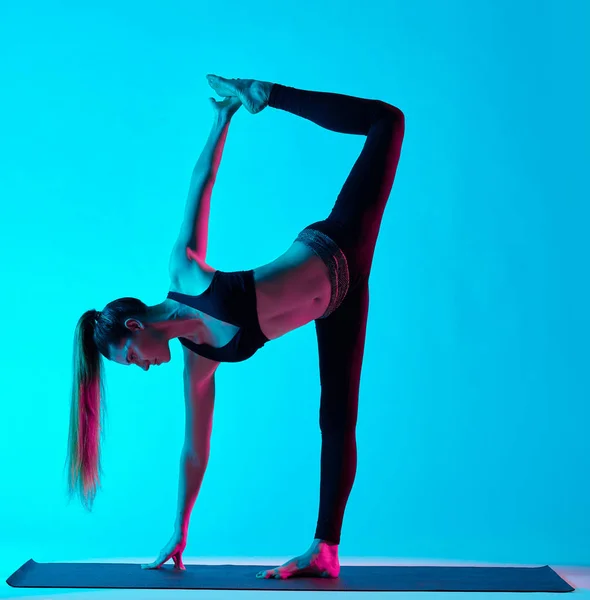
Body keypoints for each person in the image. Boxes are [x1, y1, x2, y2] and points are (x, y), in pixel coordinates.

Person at [66, 74, 405, 579]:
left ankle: (267, 93)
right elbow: (194, 449)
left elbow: (201, 185)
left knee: (388, 121)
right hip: (341, 303)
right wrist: (179, 530)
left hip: (336, 247)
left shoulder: (184, 273)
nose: (139, 367)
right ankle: (325, 549)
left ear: (135, 326)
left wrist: (223, 119)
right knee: (336, 419)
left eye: (130, 356)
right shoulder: (198, 364)